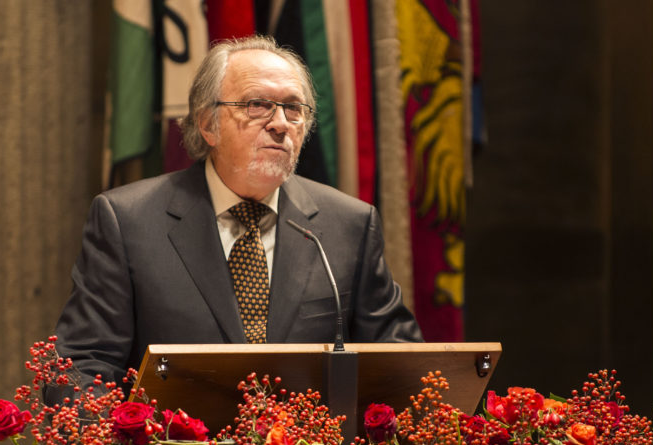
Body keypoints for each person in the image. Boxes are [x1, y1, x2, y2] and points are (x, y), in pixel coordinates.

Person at [53, 35, 421, 386]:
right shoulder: (128, 220)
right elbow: (85, 362)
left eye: (293, 109)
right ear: (207, 124)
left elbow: (400, 360)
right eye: (257, 105)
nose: (280, 124)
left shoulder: (349, 224)